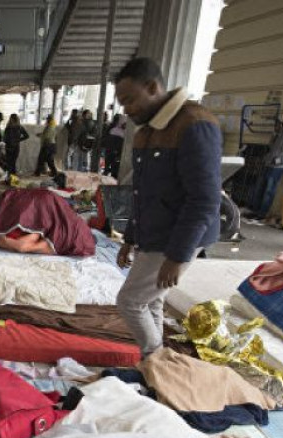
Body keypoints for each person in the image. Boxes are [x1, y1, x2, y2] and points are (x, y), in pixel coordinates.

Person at [114, 57, 222, 356]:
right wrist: (130, 238)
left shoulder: (195, 124)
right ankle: (157, 356)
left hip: (177, 234)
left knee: (130, 301)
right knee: (151, 300)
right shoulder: (147, 131)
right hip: (155, 231)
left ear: (153, 88)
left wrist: (177, 256)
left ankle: (156, 359)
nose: (126, 110)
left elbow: (204, 199)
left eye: (130, 100)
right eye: (122, 103)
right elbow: (142, 193)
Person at [103, 113, 126, 178]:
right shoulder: (122, 131)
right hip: (116, 151)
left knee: (107, 168)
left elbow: (107, 139)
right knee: (114, 169)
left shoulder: (111, 128)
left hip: (110, 150)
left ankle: (106, 178)